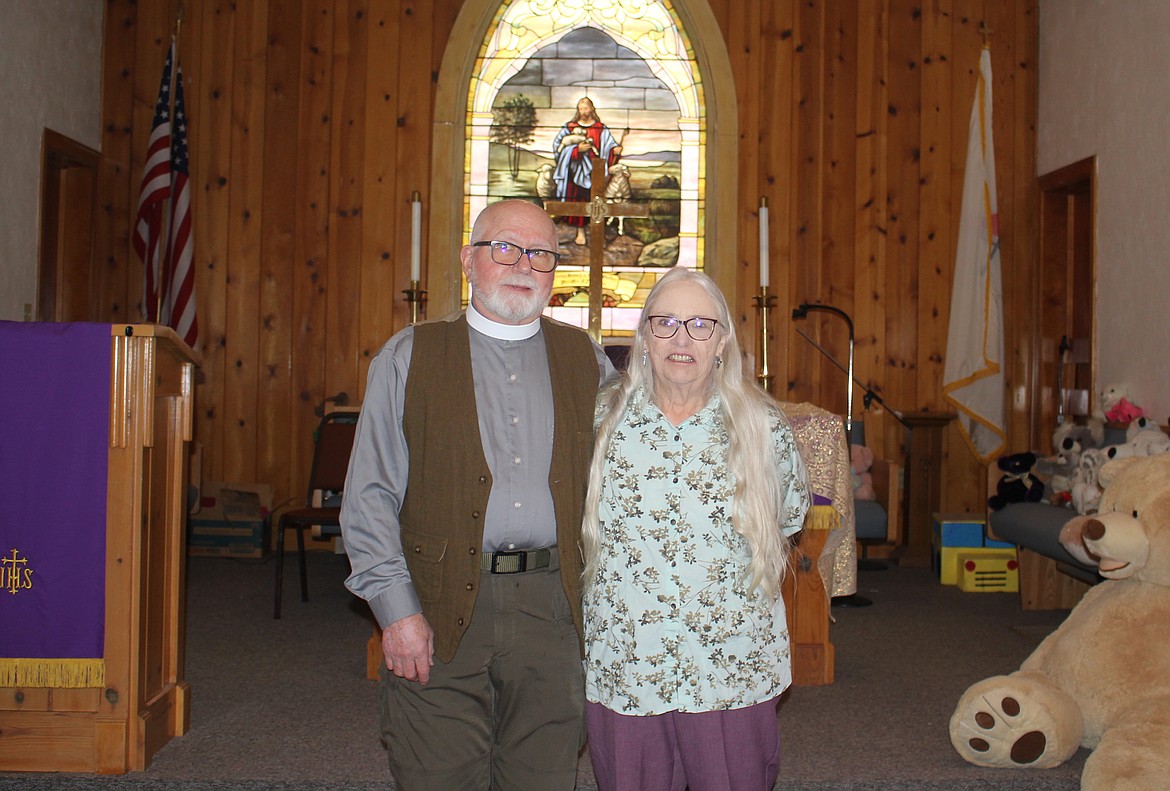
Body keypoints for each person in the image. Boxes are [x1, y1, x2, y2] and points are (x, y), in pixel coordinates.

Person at [340, 199, 615, 789]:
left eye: (541, 253)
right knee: (436, 772)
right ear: (469, 259)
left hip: (554, 607)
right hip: (437, 606)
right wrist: (397, 613)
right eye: (506, 248)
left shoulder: (586, 361)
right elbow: (368, 497)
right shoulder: (409, 356)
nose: (524, 264)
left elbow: (640, 466)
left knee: (542, 776)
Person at [580, 266, 810, 791]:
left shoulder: (762, 425)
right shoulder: (600, 422)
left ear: (722, 340)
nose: (682, 339)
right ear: (644, 337)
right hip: (629, 657)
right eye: (665, 323)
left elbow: (791, 516)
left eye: (700, 325)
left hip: (728, 662)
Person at [552, 96, 624, 245]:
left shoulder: (600, 128)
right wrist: (576, 150)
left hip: (594, 173)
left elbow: (608, 145)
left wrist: (614, 149)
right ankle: (580, 231)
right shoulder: (569, 127)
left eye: (586, 108)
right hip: (573, 173)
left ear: (592, 109)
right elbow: (558, 148)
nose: (583, 111)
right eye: (580, 108)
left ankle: (597, 233)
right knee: (578, 201)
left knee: (595, 202)